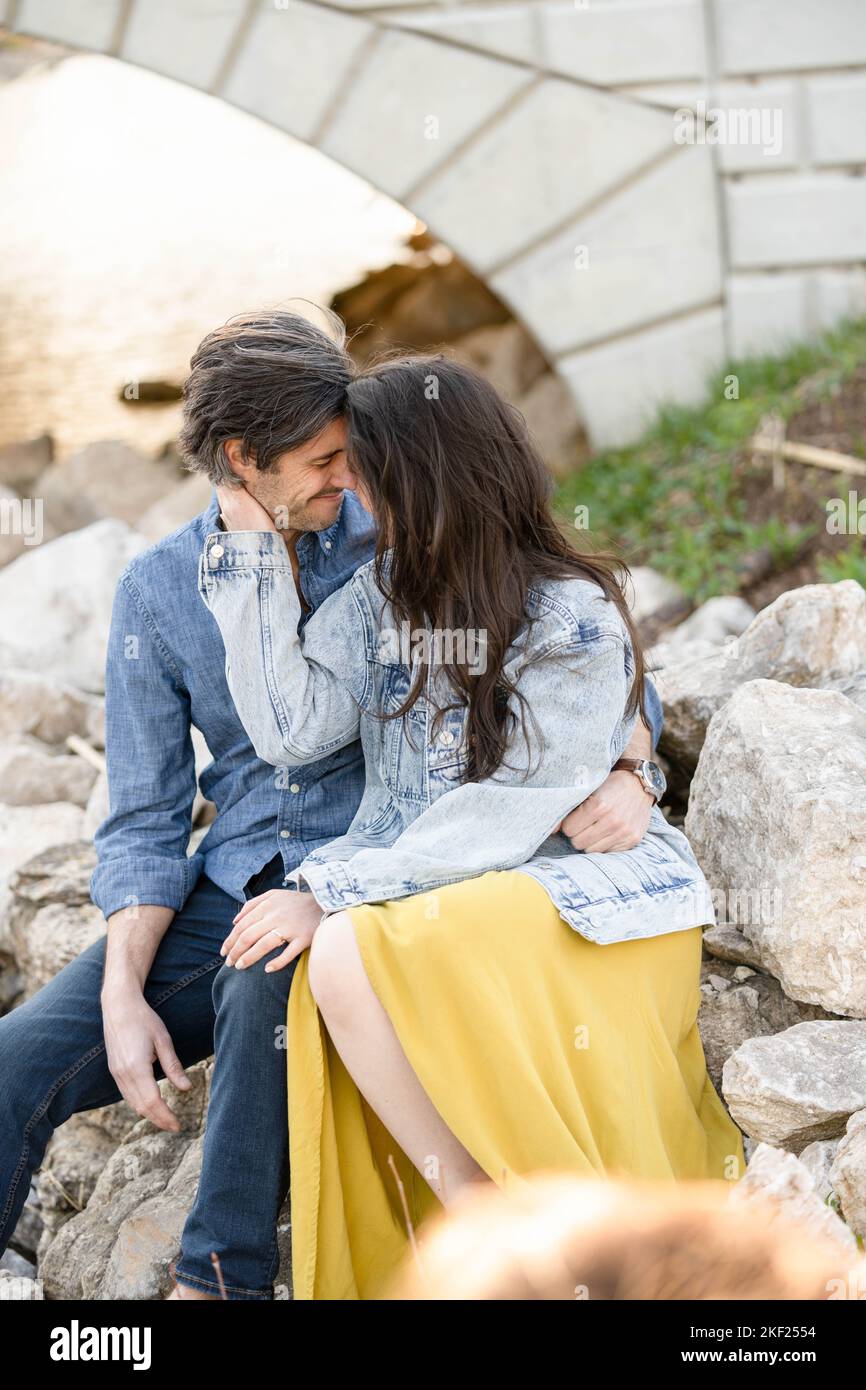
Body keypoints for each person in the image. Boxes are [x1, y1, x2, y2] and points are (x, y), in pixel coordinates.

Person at [0, 312, 662, 1302]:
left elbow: (560, 623)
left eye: (348, 457)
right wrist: (120, 990)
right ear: (242, 459)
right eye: (319, 461)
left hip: (380, 862)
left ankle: (218, 1280)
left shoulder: (402, 520)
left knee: (263, 985)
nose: (342, 481)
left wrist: (629, 765)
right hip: (236, 875)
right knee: (18, 1057)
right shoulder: (158, 590)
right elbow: (143, 818)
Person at [200, 353, 745, 1301]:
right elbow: (293, 730)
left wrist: (327, 887)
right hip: (451, 885)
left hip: (577, 883)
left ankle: (478, 1213)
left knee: (338, 949)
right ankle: (479, 1216)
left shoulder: (565, 610)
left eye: (370, 478)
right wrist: (249, 546)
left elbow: (520, 804)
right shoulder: (382, 594)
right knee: (321, 958)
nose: (357, 497)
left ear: (430, 477)